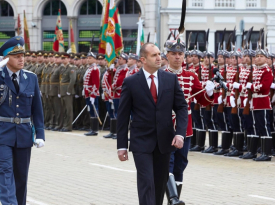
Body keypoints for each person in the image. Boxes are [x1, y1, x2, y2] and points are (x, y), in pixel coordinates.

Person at [0, 36, 45, 205]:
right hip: (1, 133)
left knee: (21, 176)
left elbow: (37, 109)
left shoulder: (31, 77)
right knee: (5, 172)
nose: (21, 59)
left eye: (22, 55)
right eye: (16, 56)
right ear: (5, 59)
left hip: (24, 134)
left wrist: (40, 133)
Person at [116, 43, 188, 205]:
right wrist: (121, 145)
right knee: (146, 182)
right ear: (143, 59)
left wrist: (180, 133)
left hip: (164, 141)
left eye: (159, 54)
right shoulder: (131, 82)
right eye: (154, 55)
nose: (159, 58)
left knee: (159, 185)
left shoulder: (170, 79)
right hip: (141, 142)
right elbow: (123, 116)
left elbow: (182, 108)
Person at [164, 39, 214, 204]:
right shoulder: (160, 75)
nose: (177, 57)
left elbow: (203, 100)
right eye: (173, 54)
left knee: (180, 163)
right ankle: (172, 199)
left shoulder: (191, 77)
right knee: (167, 162)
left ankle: (175, 197)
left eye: (180, 54)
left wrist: (210, 91)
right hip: (165, 126)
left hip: (184, 128)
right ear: (167, 55)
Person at [83, 52, 101, 136]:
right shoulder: (89, 68)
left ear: (94, 59)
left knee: (94, 110)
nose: (88, 59)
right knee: (91, 110)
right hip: (88, 93)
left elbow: (96, 83)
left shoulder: (95, 69)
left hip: (92, 93)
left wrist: (93, 95)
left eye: (90, 58)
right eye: (88, 58)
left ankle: (95, 130)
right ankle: (92, 129)